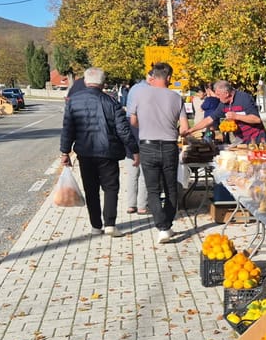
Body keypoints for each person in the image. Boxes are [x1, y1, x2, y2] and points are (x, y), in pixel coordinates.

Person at [59, 67, 139, 237]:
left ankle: (96, 226)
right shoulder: (111, 102)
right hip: (108, 152)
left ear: (86, 82)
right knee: (111, 188)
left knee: (91, 189)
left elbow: (68, 129)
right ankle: (110, 224)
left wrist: (65, 152)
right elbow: (123, 130)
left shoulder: (73, 101)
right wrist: (134, 150)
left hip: (85, 152)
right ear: (103, 84)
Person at [130, 62, 189, 244]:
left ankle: (161, 227)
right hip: (170, 146)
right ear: (169, 78)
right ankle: (167, 225)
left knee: (153, 189)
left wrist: (146, 126)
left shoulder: (139, 93)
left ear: (152, 76)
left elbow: (132, 121)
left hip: (147, 146)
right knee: (171, 188)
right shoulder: (176, 97)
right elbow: (185, 129)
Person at [190, 80, 266, 144]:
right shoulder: (223, 103)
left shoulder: (244, 98)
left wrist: (236, 116)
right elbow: (209, 119)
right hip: (241, 140)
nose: (217, 97)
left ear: (226, 93)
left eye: (218, 95)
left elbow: (256, 119)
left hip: (257, 140)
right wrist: (190, 130)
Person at [122, 72, 152, 215]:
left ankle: (131, 205)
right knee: (144, 174)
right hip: (144, 132)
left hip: (131, 134)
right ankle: (141, 206)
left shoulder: (134, 88)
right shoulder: (148, 90)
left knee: (133, 172)